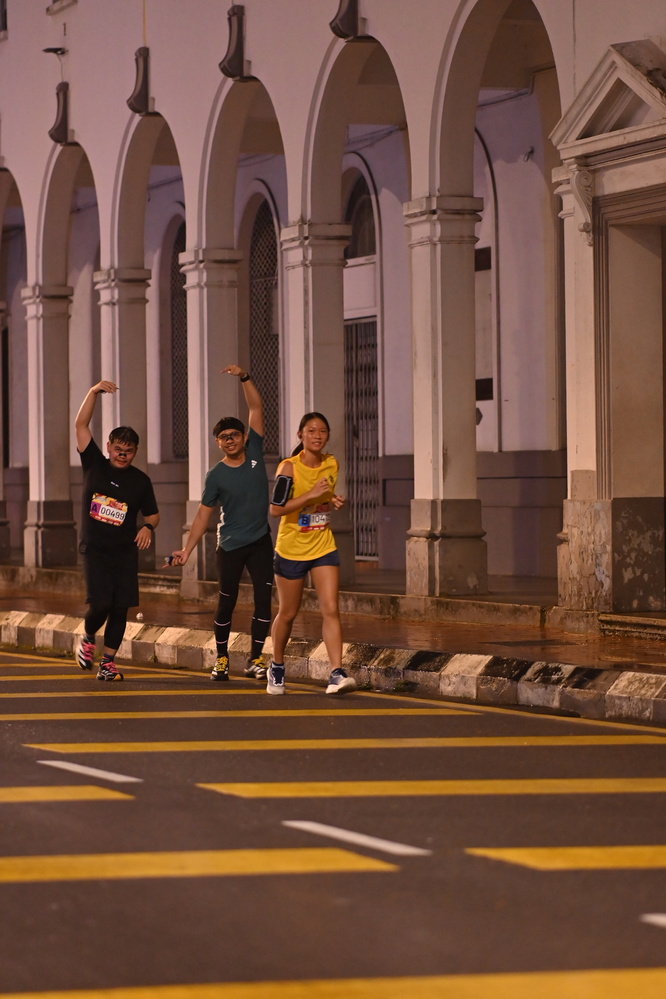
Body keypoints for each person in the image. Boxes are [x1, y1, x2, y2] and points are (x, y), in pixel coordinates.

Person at [170, 365, 273, 682]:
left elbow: (256, 407)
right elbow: (203, 515)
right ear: (217, 442)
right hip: (229, 546)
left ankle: (256, 659)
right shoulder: (215, 475)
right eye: (223, 437)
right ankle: (222, 658)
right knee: (226, 602)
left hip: (260, 541)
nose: (230, 440)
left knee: (263, 600)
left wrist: (245, 377)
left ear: (244, 437)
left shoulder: (254, 451)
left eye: (234, 435)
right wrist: (187, 550)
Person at [267, 412, 357, 696]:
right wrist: (310, 495)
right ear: (300, 435)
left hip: (323, 545)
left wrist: (332, 499)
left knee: (330, 608)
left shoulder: (331, 463)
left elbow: (323, 496)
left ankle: (336, 673)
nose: (317, 436)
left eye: (322, 431)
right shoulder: (288, 468)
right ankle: (276, 665)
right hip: (292, 548)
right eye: (311, 431)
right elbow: (276, 509)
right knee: (288, 613)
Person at [75, 380, 159, 681]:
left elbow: (153, 514)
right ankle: (87, 636)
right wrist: (93, 392)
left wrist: (147, 527)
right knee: (101, 604)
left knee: (120, 607)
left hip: (124, 552)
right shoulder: (94, 464)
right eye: (118, 449)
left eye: (128, 451)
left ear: (135, 452)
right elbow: (80, 425)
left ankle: (107, 663)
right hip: (95, 550)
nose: (122, 455)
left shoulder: (140, 481)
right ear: (109, 446)